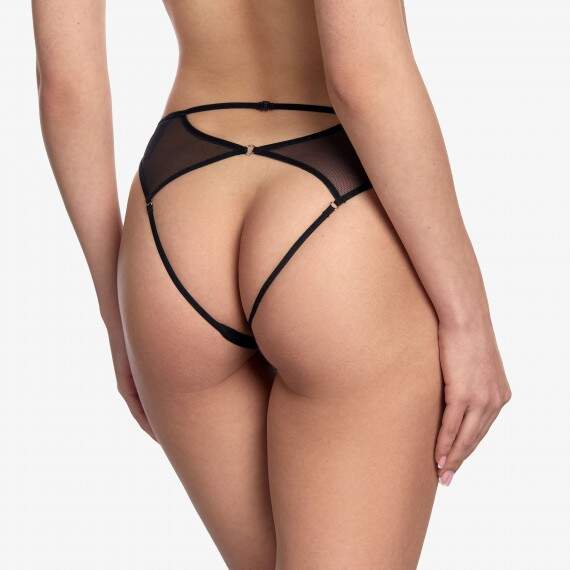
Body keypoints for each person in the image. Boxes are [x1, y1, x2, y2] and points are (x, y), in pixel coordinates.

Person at [32, 1, 511, 568]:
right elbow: (364, 75)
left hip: (175, 211)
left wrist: (117, 312)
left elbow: (66, 86)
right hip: (333, 217)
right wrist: (467, 318)